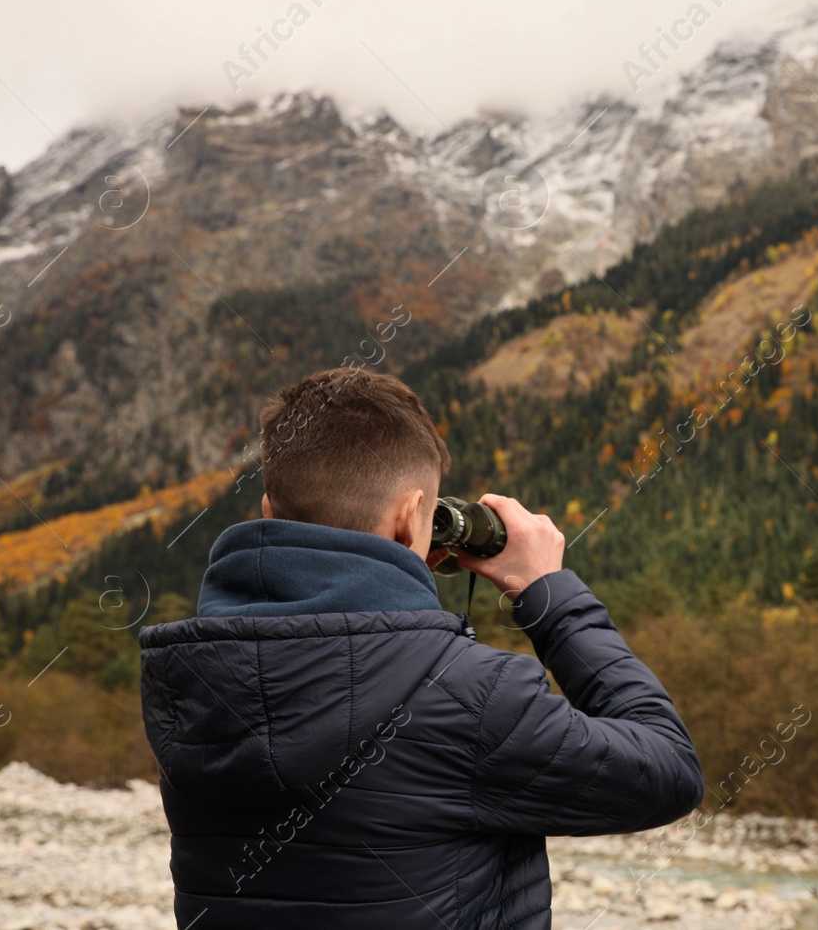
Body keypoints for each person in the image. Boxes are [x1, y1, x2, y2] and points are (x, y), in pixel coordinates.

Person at [139, 368, 703, 929]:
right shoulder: (470, 697)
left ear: (267, 510)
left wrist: (396, 592)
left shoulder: (192, 679)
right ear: (413, 517)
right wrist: (548, 595)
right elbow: (668, 772)